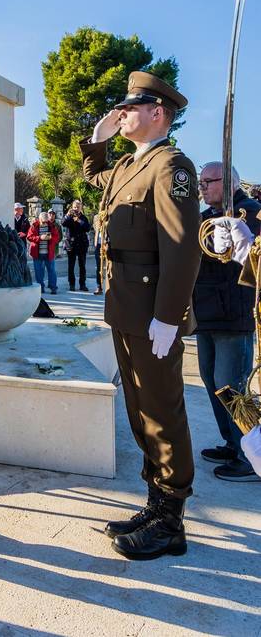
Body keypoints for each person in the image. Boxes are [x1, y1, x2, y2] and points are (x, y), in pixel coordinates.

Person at [82, 71, 201, 561]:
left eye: (131, 108)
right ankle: (155, 503)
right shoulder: (134, 164)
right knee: (139, 408)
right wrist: (96, 142)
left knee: (163, 410)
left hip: (154, 314)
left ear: (158, 113)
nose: (121, 114)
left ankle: (171, 521)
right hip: (127, 309)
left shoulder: (171, 165)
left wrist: (168, 316)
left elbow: (182, 249)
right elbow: (96, 178)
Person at [193, 163, 261, 481]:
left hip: (234, 316)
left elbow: (251, 250)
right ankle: (233, 443)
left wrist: (234, 227)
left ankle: (252, 453)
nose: (202, 186)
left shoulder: (249, 211)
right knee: (213, 382)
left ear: (229, 182)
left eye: (209, 181)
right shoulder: (206, 218)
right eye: (201, 181)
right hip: (207, 315)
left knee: (232, 386)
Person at [28, 211, 60, 293]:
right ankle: (40, 287)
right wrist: (40, 238)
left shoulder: (52, 226)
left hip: (49, 253)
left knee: (52, 271)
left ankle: (53, 287)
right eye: (43, 221)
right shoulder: (34, 226)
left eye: (46, 221)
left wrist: (51, 238)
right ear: (39, 219)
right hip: (37, 253)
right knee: (38, 271)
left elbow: (57, 238)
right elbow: (29, 237)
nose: (45, 223)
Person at [62, 199, 90, 291]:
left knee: (82, 265)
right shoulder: (69, 217)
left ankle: (82, 284)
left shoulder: (83, 218)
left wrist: (78, 221)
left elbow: (87, 228)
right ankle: (72, 284)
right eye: (74, 207)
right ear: (72, 207)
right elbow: (63, 223)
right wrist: (67, 215)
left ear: (80, 208)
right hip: (71, 244)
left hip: (82, 244)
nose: (76, 209)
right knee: (71, 265)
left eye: (78, 207)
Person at [93, 215, 103, 295]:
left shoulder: (111, 216)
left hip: (109, 244)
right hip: (98, 245)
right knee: (98, 267)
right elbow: (95, 229)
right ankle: (99, 286)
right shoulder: (96, 217)